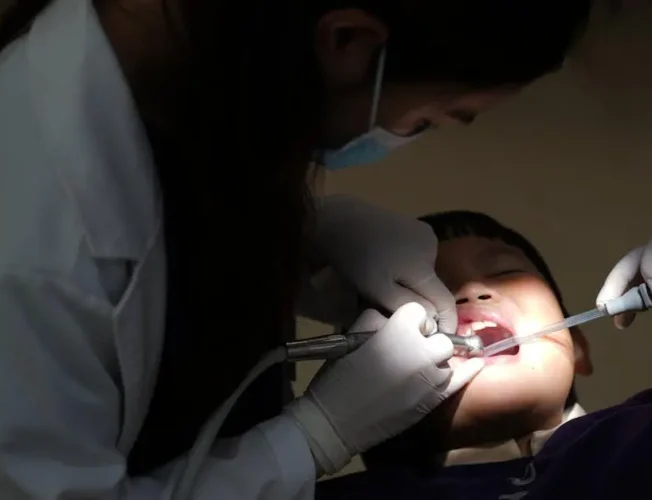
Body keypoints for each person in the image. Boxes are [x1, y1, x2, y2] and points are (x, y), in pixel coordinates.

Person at [0, 0, 592, 498]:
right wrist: (316, 436)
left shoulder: (211, 79)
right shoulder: (35, 247)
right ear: (348, 42)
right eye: (432, 119)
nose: (474, 291)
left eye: (505, 270)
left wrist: (315, 235)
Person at [316, 211, 652, 499]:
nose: (471, 292)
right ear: (367, 378)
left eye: (505, 272)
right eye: (428, 292)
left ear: (577, 346)